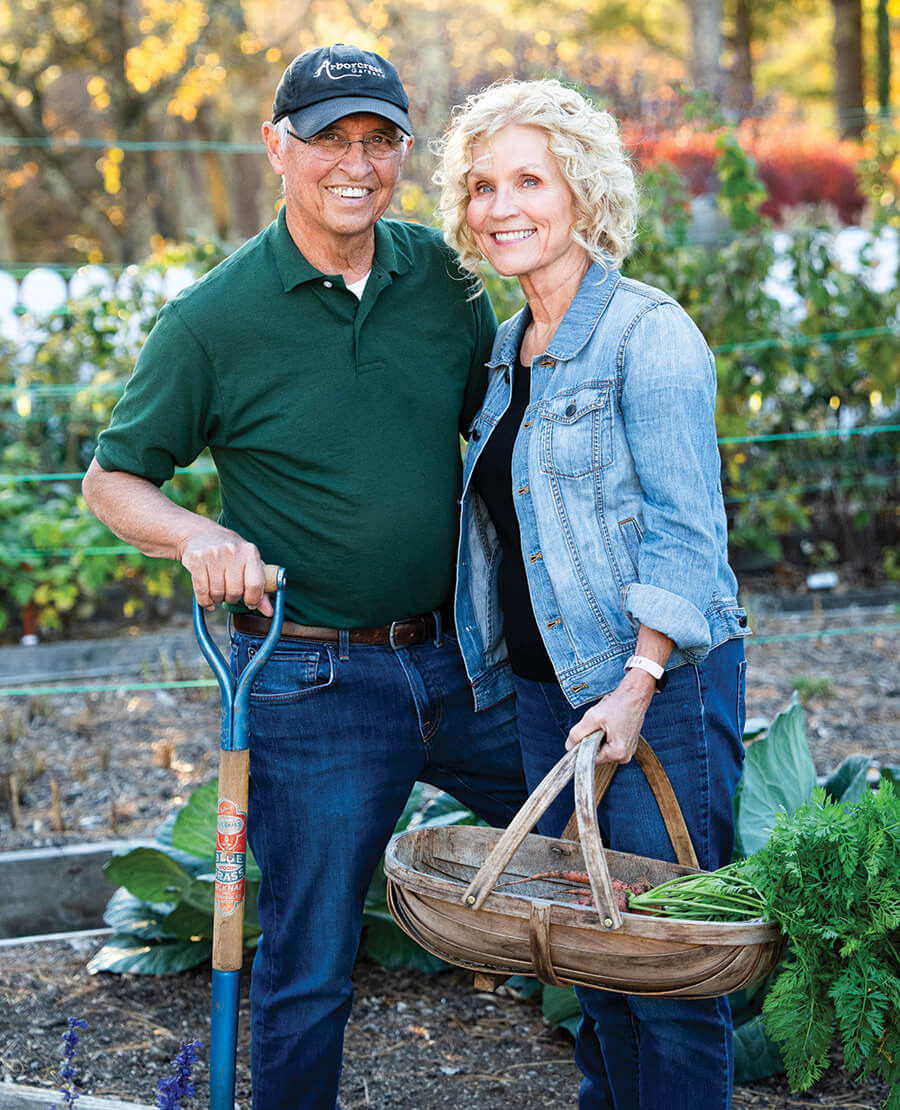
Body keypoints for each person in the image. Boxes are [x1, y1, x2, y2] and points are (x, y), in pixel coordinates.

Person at [82, 44, 528, 1110]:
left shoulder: (444, 280)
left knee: (604, 857)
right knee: (311, 966)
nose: (357, 165)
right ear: (277, 148)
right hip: (311, 681)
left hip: (467, 662)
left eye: (378, 141)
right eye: (331, 139)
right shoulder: (213, 321)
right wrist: (197, 538)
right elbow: (114, 480)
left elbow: (495, 437)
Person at [437, 79, 751, 1110]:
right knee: (590, 966)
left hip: (653, 697)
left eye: (529, 179)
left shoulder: (646, 337)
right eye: (482, 186)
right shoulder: (504, 350)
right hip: (549, 694)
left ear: (582, 192)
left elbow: (688, 536)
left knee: (664, 968)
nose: (500, 207)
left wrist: (637, 683)